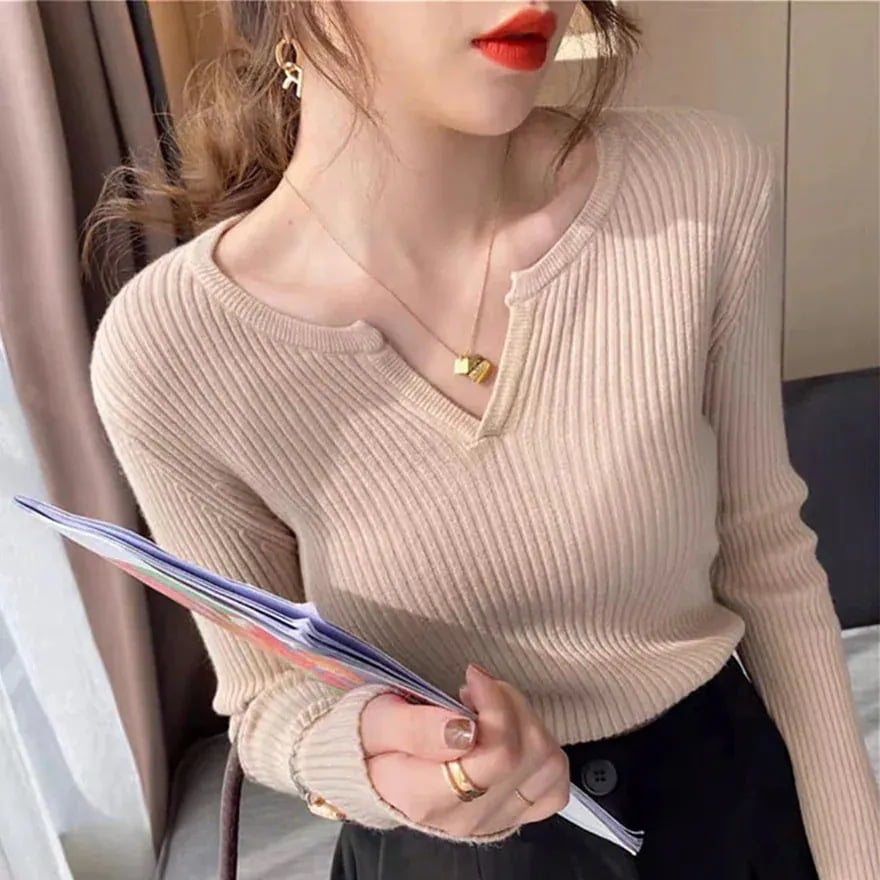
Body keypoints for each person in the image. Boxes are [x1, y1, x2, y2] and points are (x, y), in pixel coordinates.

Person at [84, 2, 880, 878]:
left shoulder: (698, 188)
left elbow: (768, 561)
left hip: (727, 817)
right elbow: (267, 699)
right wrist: (369, 759)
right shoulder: (174, 349)